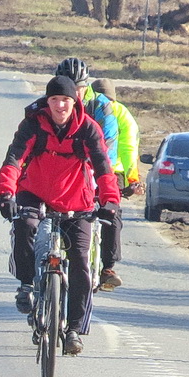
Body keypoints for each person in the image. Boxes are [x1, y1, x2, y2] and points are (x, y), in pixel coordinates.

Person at [0, 75, 120, 355]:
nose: (60, 105)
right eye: (55, 100)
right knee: (24, 225)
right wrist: (6, 193)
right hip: (35, 193)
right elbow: (14, 159)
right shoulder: (33, 125)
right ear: (47, 102)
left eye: (65, 100)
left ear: (74, 101)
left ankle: (74, 329)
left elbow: (102, 166)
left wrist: (110, 200)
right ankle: (27, 283)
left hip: (77, 201)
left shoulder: (87, 128)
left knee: (80, 261)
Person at [55, 58, 123, 289]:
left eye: (78, 88)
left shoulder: (101, 108)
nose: (72, 93)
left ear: (86, 87)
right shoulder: (52, 105)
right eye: (67, 86)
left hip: (93, 168)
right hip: (63, 176)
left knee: (111, 211)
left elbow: (108, 152)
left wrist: (100, 185)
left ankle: (108, 266)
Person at [92, 78, 144, 290]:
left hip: (89, 170)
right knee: (112, 214)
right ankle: (108, 268)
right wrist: (133, 180)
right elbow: (129, 148)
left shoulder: (90, 109)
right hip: (115, 173)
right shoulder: (122, 113)